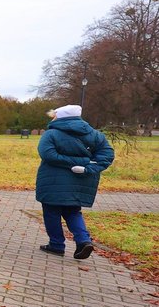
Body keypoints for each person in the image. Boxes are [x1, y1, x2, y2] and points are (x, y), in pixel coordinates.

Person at [35, 104, 114, 259]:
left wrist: (79, 163)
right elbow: (107, 155)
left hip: (53, 180)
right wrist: (86, 166)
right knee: (72, 211)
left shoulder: (51, 134)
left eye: (55, 115)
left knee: (51, 212)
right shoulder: (96, 135)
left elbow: (48, 155)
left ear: (61, 116)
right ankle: (83, 241)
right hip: (80, 181)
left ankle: (56, 245)